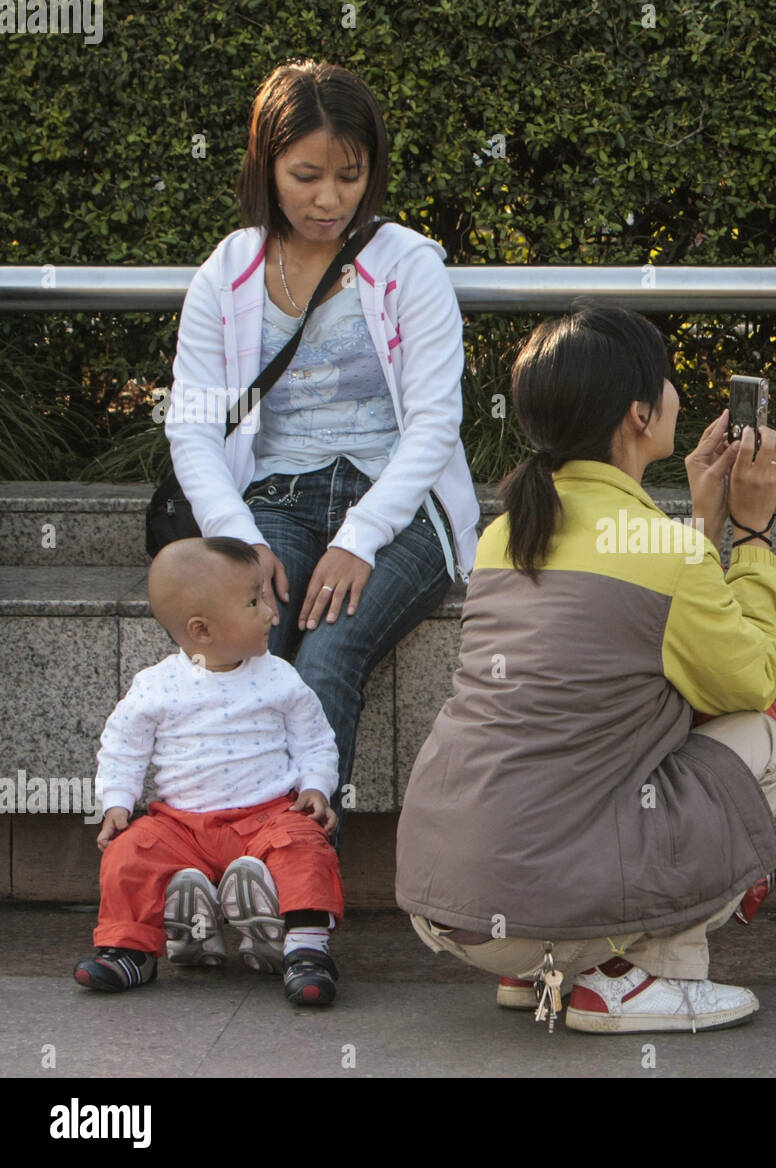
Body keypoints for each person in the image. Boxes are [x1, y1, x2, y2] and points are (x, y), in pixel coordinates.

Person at [396, 305, 776, 1034]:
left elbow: (622, 629)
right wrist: (757, 535)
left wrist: (702, 523)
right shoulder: (664, 553)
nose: (679, 394)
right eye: (669, 383)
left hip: (447, 905)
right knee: (763, 738)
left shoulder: (503, 532)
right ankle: (638, 980)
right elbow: (753, 677)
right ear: (641, 415)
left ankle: (543, 969)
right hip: (538, 902)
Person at [164, 61, 478, 839]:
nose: (329, 199)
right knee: (245, 645)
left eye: (350, 175)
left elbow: (436, 424)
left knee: (329, 655)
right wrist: (238, 540)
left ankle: (296, 886)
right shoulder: (226, 274)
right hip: (274, 501)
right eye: (305, 175)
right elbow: (193, 424)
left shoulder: (408, 265)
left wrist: (360, 539)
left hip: (401, 509)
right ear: (266, 167)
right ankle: (211, 852)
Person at [74, 537, 345, 1005]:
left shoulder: (279, 677)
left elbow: (314, 739)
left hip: (267, 817)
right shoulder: (156, 686)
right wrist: (117, 802)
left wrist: (316, 786)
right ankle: (127, 950)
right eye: (254, 601)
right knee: (128, 851)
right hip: (180, 825)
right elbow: (123, 745)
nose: (270, 613)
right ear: (201, 630)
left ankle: (306, 949)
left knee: (306, 845)